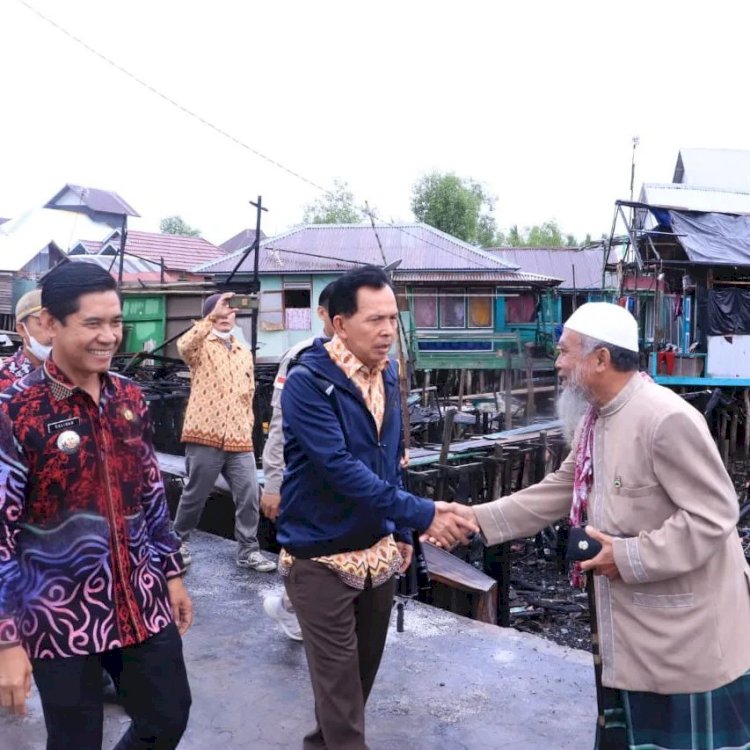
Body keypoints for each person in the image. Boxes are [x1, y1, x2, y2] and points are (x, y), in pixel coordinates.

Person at [462, 302, 750, 750]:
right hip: (633, 625)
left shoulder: (665, 419)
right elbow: (561, 487)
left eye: (564, 352)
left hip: (683, 632)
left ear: (600, 359)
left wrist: (627, 555)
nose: (556, 364)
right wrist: (474, 518)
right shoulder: (596, 419)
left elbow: (713, 516)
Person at [277, 265, 478, 750]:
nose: (388, 330)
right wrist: (424, 514)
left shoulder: (387, 372)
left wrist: (401, 532)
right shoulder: (308, 381)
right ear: (339, 323)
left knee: (355, 687)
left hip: (377, 553)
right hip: (319, 557)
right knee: (342, 701)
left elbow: (389, 458)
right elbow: (340, 468)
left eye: (392, 317)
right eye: (374, 320)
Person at [0, 261, 192, 749]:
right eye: (93, 323)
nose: (109, 336)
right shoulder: (16, 411)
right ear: (50, 323)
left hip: (140, 597)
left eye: (115, 322)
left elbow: (150, 491)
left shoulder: (129, 397)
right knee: (75, 740)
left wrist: (170, 575)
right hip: (58, 614)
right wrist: (7, 638)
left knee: (168, 715)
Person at [173, 292, 275, 572]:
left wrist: (248, 428)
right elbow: (184, 346)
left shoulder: (243, 352)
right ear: (210, 315)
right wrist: (211, 317)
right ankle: (177, 543)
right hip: (204, 434)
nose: (227, 317)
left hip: (239, 437)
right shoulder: (200, 344)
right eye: (221, 313)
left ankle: (248, 550)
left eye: (231, 312)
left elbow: (247, 394)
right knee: (195, 494)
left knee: (250, 494)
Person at [261, 282, 336, 642]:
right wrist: (273, 484)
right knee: (305, 550)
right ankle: (289, 607)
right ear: (323, 314)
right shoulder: (301, 356)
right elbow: (278, 425)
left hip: (344, 472)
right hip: (305, 473)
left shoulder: (371, 355)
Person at [0, 289, 52, 390]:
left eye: (59, 323)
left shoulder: (74, 374)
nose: (53, 332)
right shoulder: (5, 378)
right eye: (42, 324)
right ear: (21, 329)